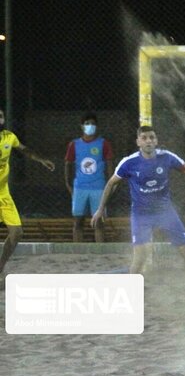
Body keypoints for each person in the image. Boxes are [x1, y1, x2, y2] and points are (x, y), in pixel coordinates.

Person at [91, 126, 185, 297]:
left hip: (166, 212)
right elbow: (111, 183)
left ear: (156, 141)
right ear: (138, 142)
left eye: (152, 137)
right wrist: (100, 209)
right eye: (144, 138)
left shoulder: (167, 157)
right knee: (140, 258)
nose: (149, 140)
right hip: (141, 215)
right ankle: (129, 295)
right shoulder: (129, 162)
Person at [0, 109, 56, 289]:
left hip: (3, 194)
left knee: (17, 233)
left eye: (0, 115)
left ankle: (0, 268)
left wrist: (41, 160)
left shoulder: (9, 137)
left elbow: (25, 150)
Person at [64, 112, 114, 242]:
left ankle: (100, 251)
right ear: (82, 126)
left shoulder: (103, 143)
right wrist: (68, 184)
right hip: (80, 187)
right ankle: (77, 251)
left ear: (97, 126)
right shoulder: (74, 144)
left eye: (92, 123)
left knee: (98, 222)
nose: (90, 126)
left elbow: (109, 164)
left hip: (98, 187)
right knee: (78, 221)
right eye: (87, 124)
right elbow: (68, 164)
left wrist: (111, 183)